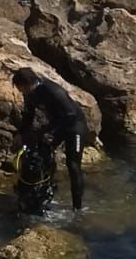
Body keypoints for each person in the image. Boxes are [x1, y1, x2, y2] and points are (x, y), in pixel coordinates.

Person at [11, 66, 87, 211]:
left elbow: (70, 115)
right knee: (38, 155)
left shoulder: (53, 91)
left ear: (28, 84)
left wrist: (52, 132)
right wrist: (21, 134)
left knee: (73, 165)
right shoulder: (29, 94)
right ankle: (43, 195)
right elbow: (28, 116)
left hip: (74, 125)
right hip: (57, 124)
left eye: (21, 89)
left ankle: (77, 208)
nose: (21, 92)